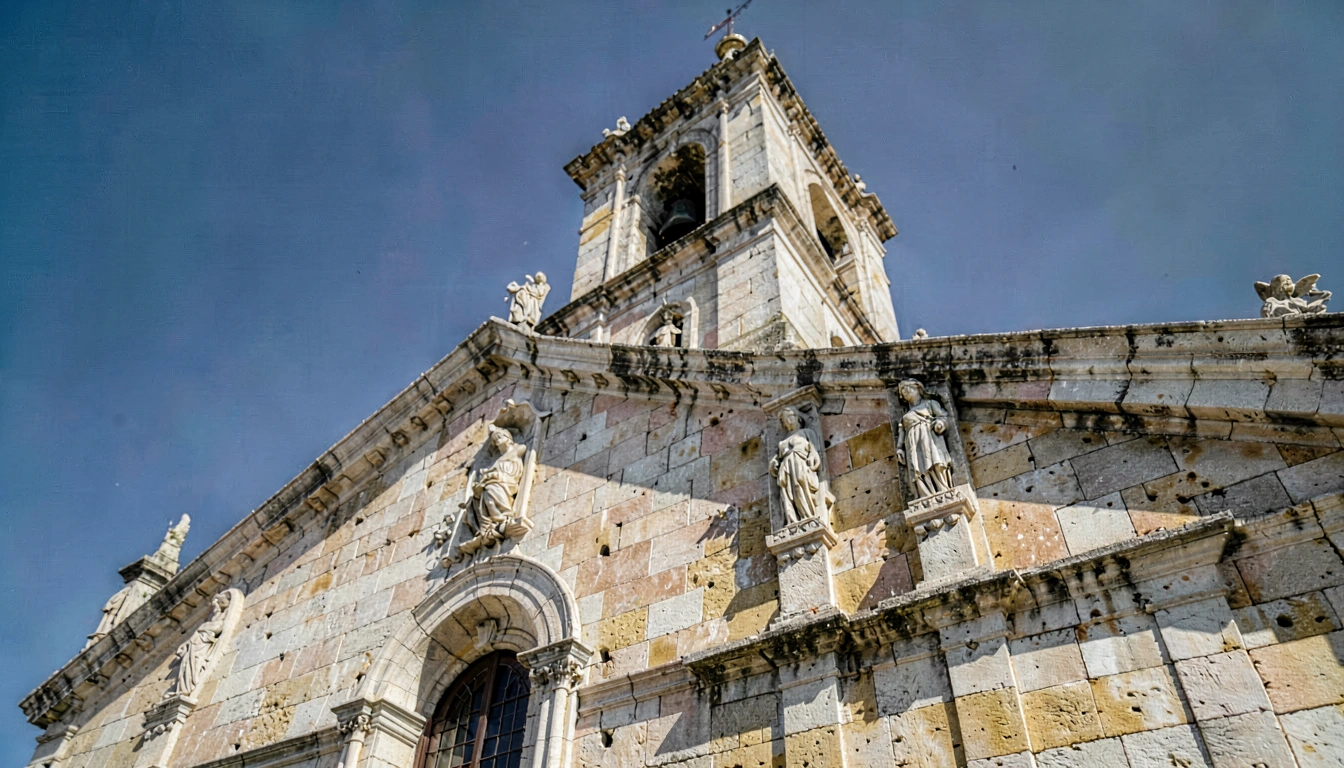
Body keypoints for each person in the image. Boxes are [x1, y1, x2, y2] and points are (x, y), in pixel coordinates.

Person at [896, 379, 954, 497]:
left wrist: (940, 423)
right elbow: (902, 432)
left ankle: (943, 488)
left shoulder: (930, 403)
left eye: (909, 387)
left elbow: (943, 416)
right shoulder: (905, 417)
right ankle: (926, 494)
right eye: (903, 390)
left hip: (929, 438)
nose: (906, 391)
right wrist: (899, 448)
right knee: (917, 468)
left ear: (918, 388)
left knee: (936, 461)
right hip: (912, 444)